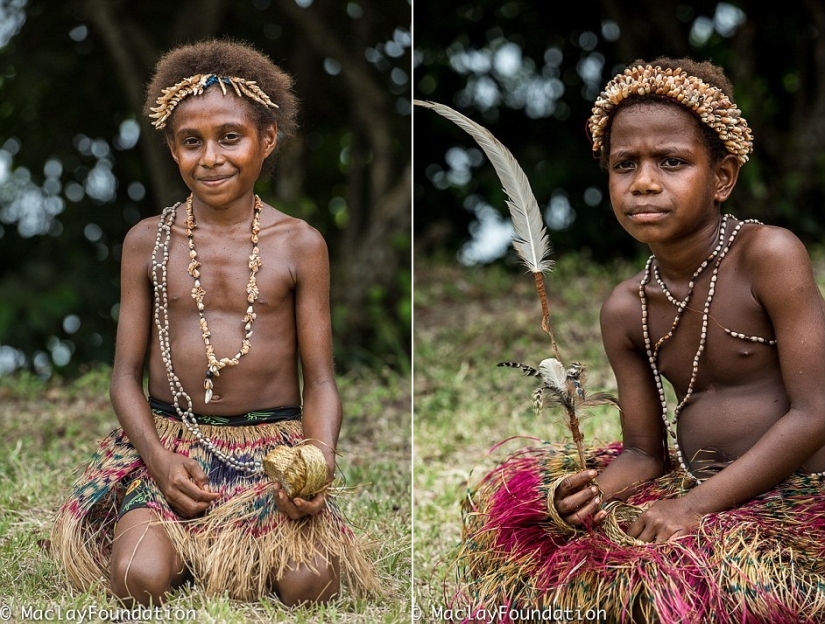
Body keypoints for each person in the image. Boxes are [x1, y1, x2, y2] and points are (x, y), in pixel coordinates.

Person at [457, 57, 825, 622]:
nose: (645, 182)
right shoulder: (627, 308)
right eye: (624, 164)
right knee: (574, 578)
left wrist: (694, 507)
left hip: (802, 491)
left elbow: (816, 410)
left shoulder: (767, 256)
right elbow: (643, 453)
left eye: (673, 162)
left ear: (722, 177)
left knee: (742, 600)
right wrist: (594, 494)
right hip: (703, 491)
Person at [51, 38, 377, 608]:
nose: (211, 158)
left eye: (231, 137)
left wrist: (314, 466)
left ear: (266, 139)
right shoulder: (146, 243)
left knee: (310, 586)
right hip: (172, 445)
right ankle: (181, 541)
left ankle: (234, 544)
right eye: (190, 142)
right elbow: (125, 378)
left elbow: (321, 381)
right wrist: (158, 460)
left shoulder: (300, 245)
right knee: (136, 578)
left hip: (269, 454)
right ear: (171, 148)